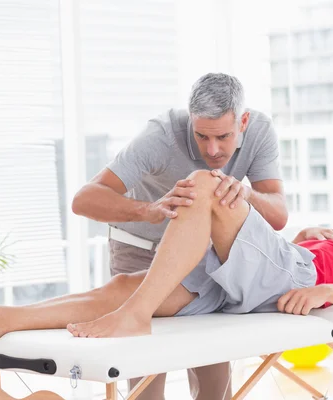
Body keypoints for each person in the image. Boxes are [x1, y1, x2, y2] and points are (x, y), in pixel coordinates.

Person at [0, 169, 333, 355]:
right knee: (128, 286)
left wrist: (329, 291)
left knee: (207, 186)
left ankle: (134, 318)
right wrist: (309, 237)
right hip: (260, 281)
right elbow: (280, 257)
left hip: (288, 278)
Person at [70, 72, 288, 399]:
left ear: (242, 121)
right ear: (191, 123)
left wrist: (245, 193)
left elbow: (278, 215)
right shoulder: (160, 136)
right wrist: (149, 210)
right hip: (139, 250)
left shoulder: (259, 132)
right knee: (147, 379)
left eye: (223, 137)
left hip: (202, 257)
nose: (212, 150)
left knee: (214, 379)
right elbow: (84, 199)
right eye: (202, 136)